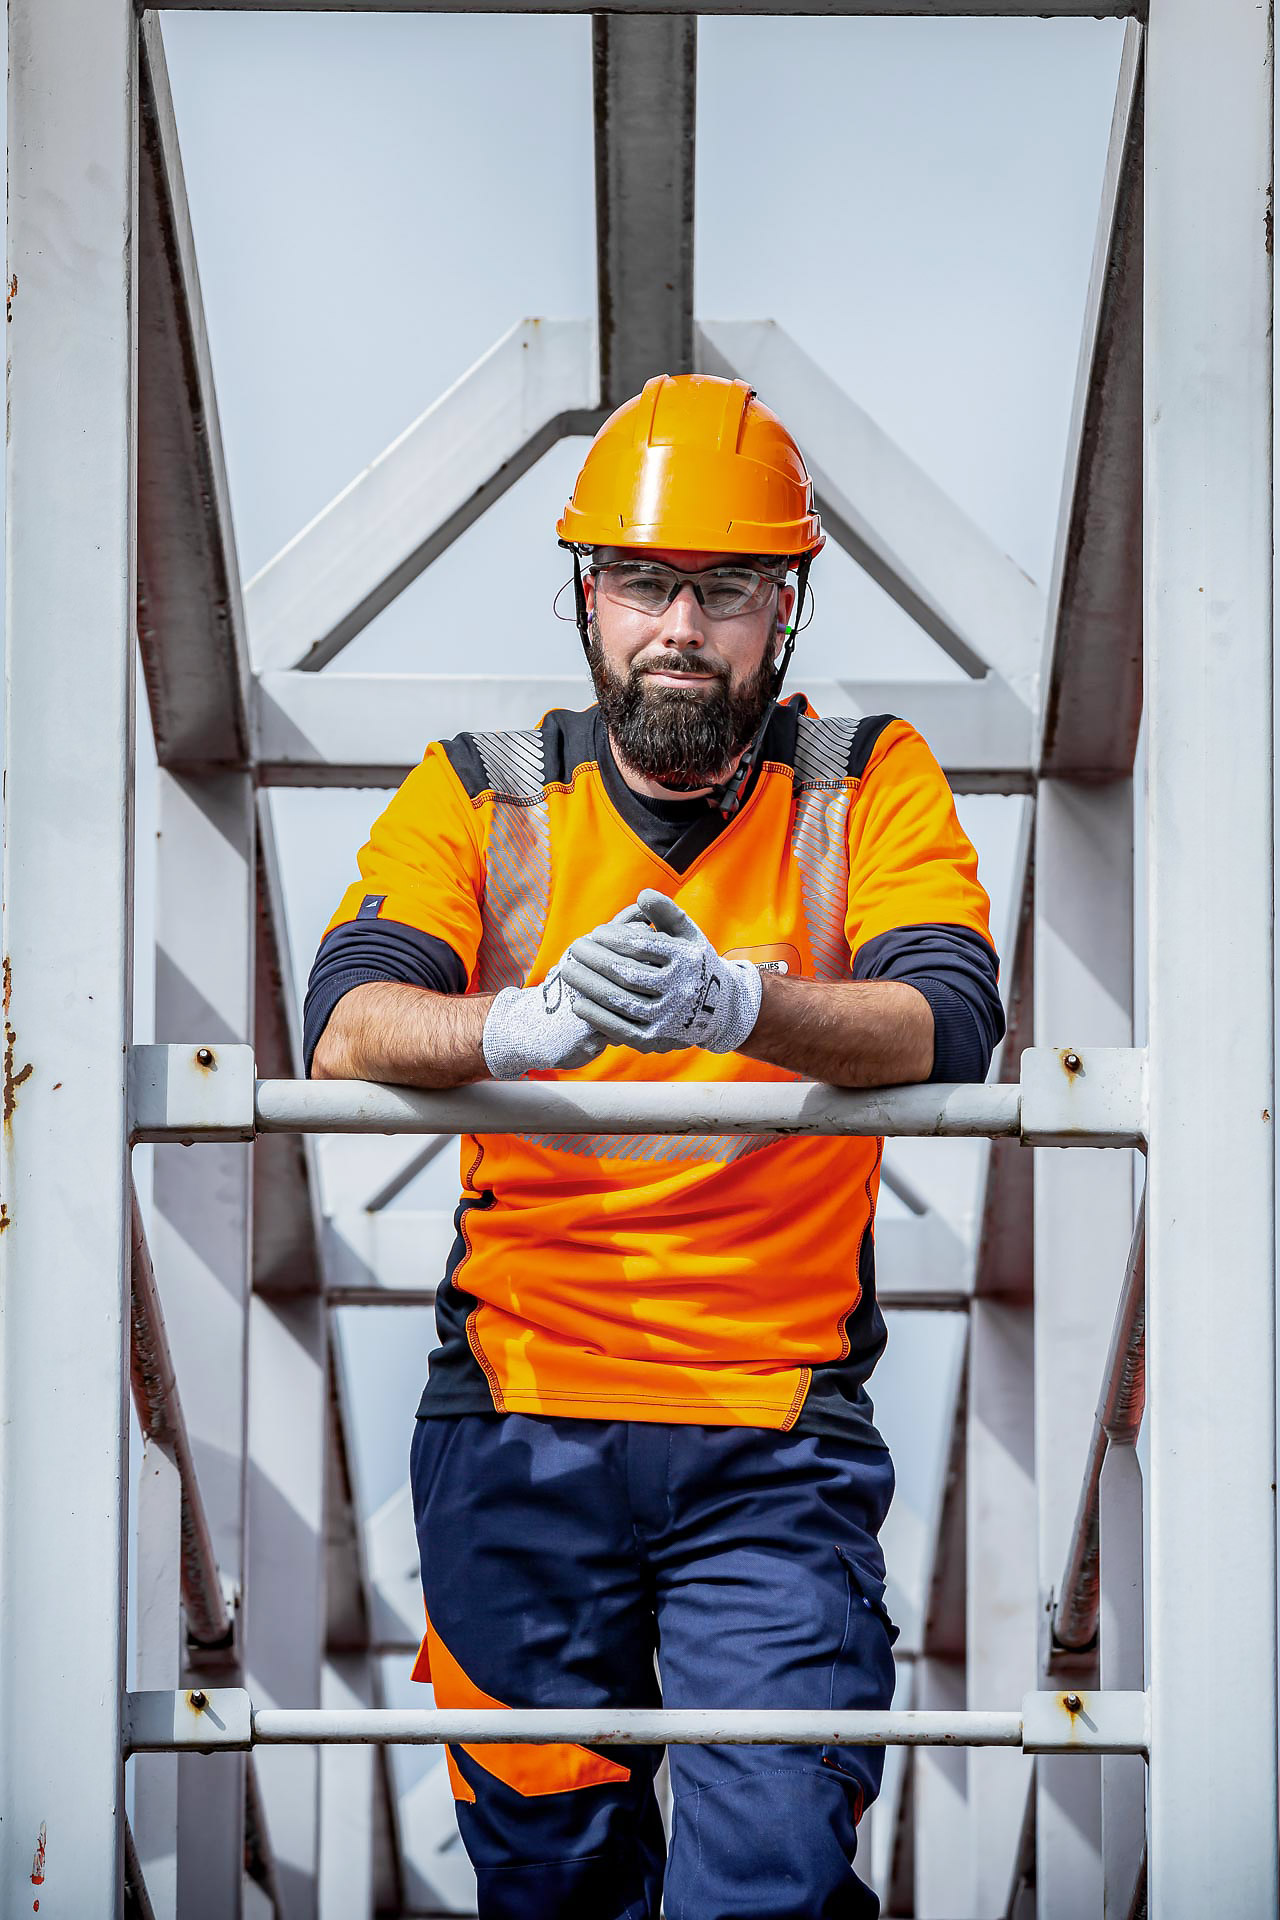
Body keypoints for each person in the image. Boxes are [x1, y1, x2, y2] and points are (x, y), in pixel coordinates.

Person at [304, 372, 1005, 1919]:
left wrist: (742, 1003)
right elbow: (347, 1021)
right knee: (552, 1882)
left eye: (725, 588)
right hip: (521, 1417)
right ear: (587, 598)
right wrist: (523, 1025)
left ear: (785, 610)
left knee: (769, 1875)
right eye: (641, 582)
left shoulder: (860, 782)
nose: (679, 627)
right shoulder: (485, 791)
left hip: (773, 1433)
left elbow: (951, 1017)